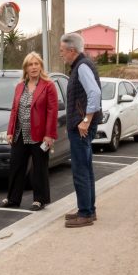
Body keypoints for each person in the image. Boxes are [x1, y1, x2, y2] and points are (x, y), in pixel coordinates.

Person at [0, 52, 57, 211]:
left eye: (36, 64)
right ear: (25, 68)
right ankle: (13, 199)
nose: (33, 67)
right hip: (20, 134)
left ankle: (40, 199)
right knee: (16, 166)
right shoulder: (19, 86)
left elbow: (52, 111)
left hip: (39, 135)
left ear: (41, 66)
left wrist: (49, 134)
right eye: (30, 64)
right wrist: (10, 131)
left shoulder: (48, 86)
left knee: (39, 168)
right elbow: (14, 110)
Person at [59, 33, 101, 228]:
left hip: (81, 127)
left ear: (71, 50)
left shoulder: (82, 66)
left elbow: (95, 93)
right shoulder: (82, 65)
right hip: (82, 125)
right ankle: (88, 209)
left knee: (80, 170)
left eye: (62, 51)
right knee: (86, 168)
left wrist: (86, 120)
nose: (61, 55)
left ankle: (85, 213)